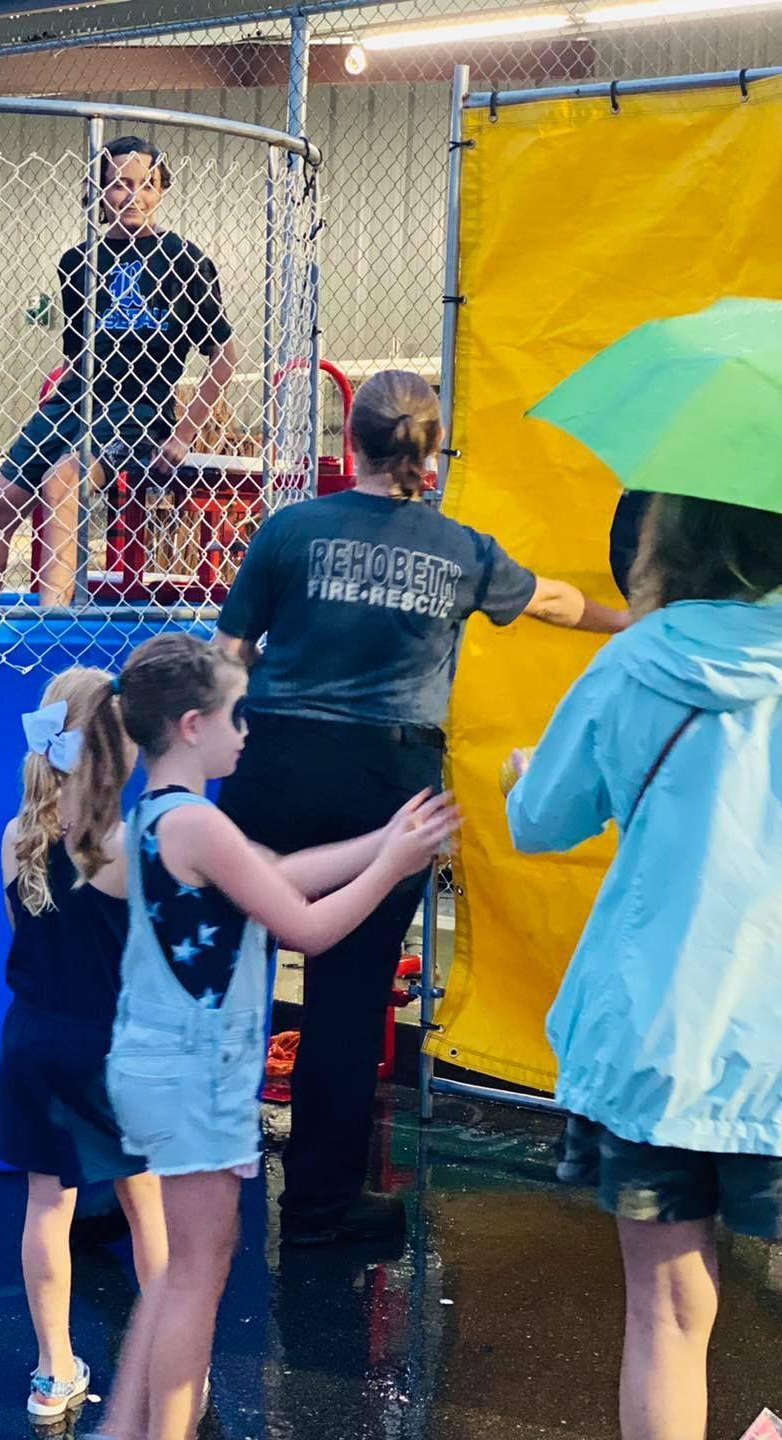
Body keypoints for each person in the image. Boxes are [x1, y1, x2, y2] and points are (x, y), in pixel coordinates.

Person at [214, 368, 629, 1247]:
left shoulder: (289, 530)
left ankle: (162, 1171)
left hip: (278, 761)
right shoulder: (460, 550)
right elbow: (554, 601)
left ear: (348, 443)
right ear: (433, 451)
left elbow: (230, 651)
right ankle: (321, 1209)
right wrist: (636, 625)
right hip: (386, 778)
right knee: (349, 990)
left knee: (216, 960)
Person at [74, 632, 459, 1440]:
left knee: (184, 1269)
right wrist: (392, 866)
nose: (246, 731)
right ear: (189, 724)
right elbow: (309, 928)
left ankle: (125, 1429)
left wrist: (386, 842)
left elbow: (279, 874)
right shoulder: (201, 827)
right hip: (192, 1074)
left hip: (162, 1064)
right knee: (196, 1274)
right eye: (236, 714)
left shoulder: (162, 816)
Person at [506, 490, 782, 1440]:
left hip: (656, 1042)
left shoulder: (637, 663)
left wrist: (523, 769)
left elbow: (540, 818)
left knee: (665, 1316)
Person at [0, 666, 168, 1424]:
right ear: (118, 756)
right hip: (114, 1051)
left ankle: (52, 1372)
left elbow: (24, 944)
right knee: (147, 1208)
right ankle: (166, 1357)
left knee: (45, 1207)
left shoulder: (17, 837)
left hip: (33, 1042)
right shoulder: (128, 849)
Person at [0, 136, 237, 607]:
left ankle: (51, 634)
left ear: (162, 190)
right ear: (100, 193)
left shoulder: (184, 261)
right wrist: (58, 395)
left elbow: (224, 357)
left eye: (146, 184)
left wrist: (183, 434)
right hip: (76, 400)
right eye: (120, 185)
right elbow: (77, 351)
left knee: (63, 480)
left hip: (140, 406)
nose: (133, 196)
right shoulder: (78, 263)